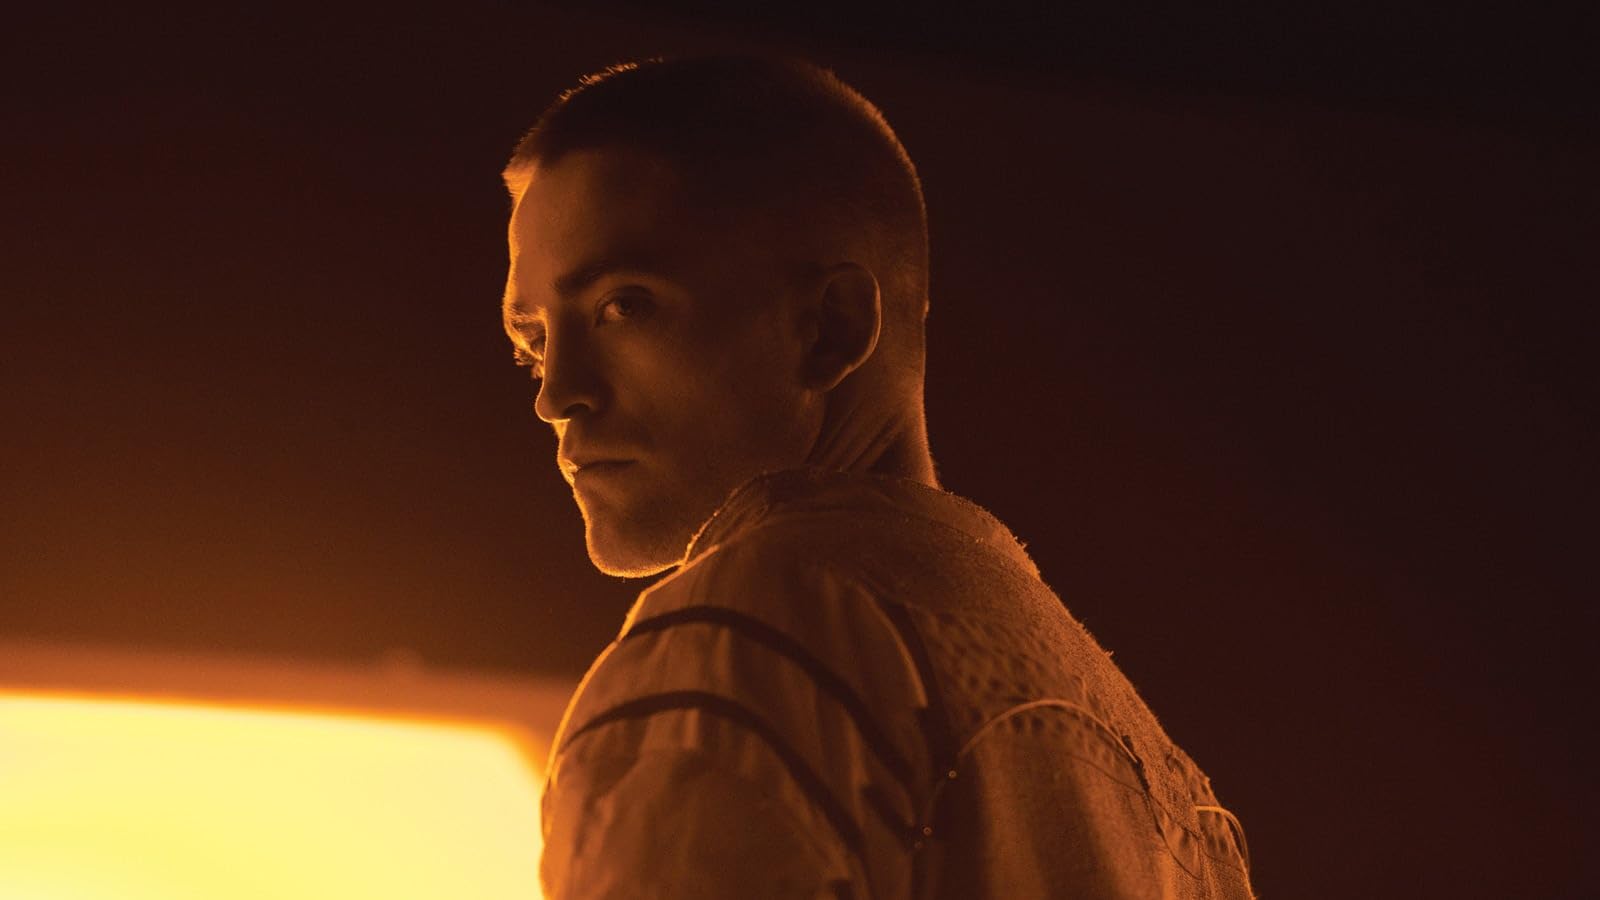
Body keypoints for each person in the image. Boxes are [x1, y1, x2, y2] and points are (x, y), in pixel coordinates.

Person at [500, 55, 1256, 900]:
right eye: (532, 342)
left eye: (622, 305)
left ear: (830, 327)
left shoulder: (739, 650)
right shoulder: (1152, 768)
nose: (556, 396)